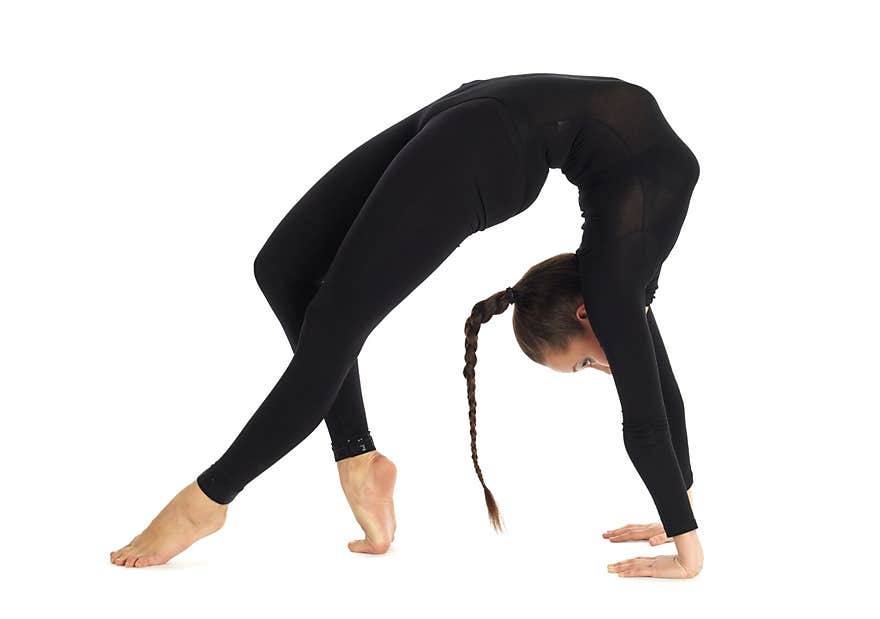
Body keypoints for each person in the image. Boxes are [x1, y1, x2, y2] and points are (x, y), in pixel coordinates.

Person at [110, 73, 703, 579]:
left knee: (318, 305)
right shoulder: (613, 290)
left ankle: (355, 459)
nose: (605, 367)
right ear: (582, 314)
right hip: (481, 132)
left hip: (485, 114)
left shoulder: (616, 278)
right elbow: (645, 418)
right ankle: (210, 501)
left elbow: (657, 379)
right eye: (584, 363)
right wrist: (688, 549)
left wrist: (681, 504)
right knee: (286, 273)